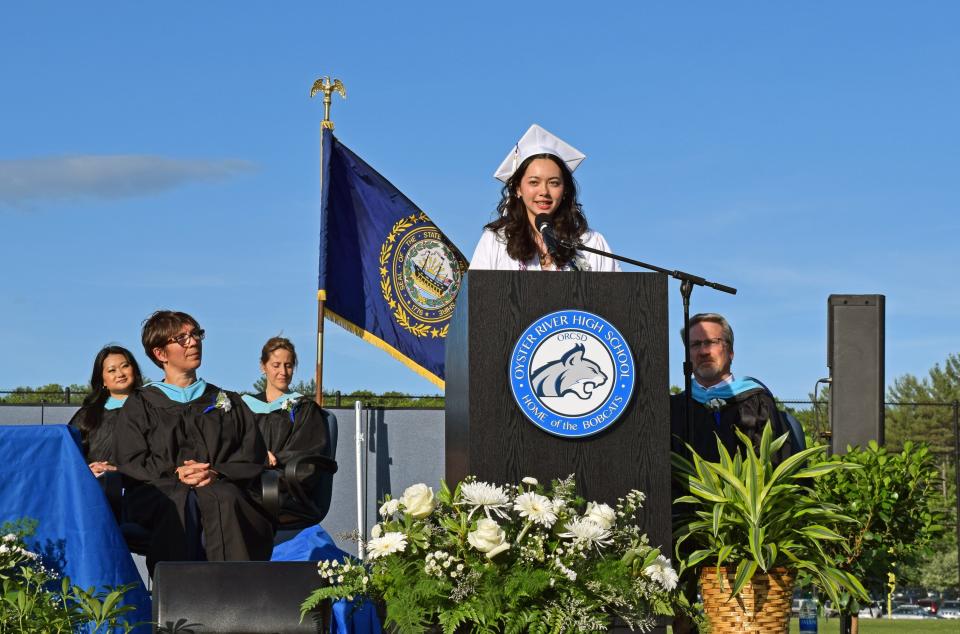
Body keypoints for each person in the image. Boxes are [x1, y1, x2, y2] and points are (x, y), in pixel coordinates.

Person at [114, 310, 273, 573]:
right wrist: (176, 473)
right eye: (182, 338)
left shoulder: (227, 401)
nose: (193, 342)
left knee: (222, 496)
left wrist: (215, 471)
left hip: (223, 487)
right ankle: (179, 600)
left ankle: (235, 598)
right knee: (182, 500)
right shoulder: (140, 405)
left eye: (196, 334)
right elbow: (130, 459)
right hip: (161, 491)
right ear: (161, 354)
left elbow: (250, 453)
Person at [470, 123, 620, 272]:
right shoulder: (496, 241)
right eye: (534, 182)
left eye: (554, 183)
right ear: (518, 189)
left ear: (565, 189)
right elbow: (477, 293)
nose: (544, 191)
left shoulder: (591, 243)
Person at [669, 312, 795, 465]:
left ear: (730, 352)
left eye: (712, 342)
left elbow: (776, 463)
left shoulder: (757, 401)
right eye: (695, 345)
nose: (703, 352)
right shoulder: (673, 408)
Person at [240, 337, 331, 470]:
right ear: (263, 366)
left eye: (288, 365)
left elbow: (308, 451)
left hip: (282, 481)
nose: (283, 372)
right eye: (276, 365)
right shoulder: (245, 406)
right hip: (245, 477)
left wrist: (273, 459)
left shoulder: (304, 408)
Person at [69, 345, 144, 477]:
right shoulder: (87, 414)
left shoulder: (150, 408)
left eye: (125, 366)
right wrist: (87, 470)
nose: (120, 374)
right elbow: (69, 452)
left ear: (134, 370)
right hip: (93, 484)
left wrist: (116, 470)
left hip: (139, 486)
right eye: (111, 370)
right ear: (102, 380)